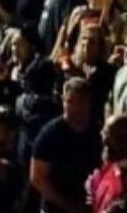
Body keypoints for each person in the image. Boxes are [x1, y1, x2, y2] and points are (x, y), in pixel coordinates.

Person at [31, 77, 100, 213]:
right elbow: (37, 178)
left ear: (89, 102)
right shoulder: (50, 135)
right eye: (70, 101)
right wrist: (70, 206)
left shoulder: (97, 132)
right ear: (63, 101)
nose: (76, 107)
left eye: (81, 102)